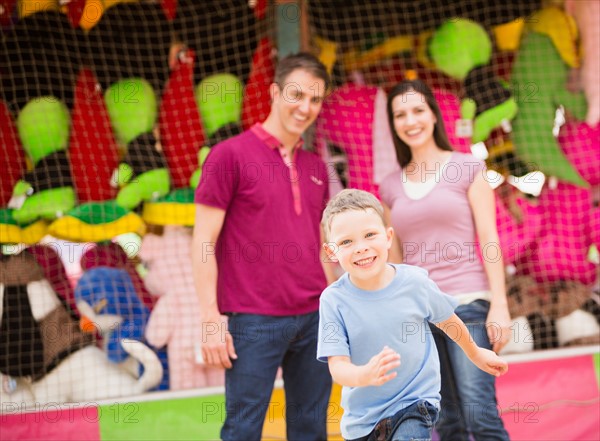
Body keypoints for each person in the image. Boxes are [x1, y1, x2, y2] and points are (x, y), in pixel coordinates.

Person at [191, 52, 336, 441]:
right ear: (274, 91)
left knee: (311, 430)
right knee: (242, 431)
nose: (305, 107)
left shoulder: (316, 166)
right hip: (252, 321)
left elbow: (322, 247)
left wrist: (337, 309)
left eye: (315, 99)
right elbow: (202, 241)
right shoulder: (228, 156)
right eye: (296, 94)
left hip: (315, 320)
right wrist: (210, 319)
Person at [317, 189, 508, 441]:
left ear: (388, 237)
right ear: (332, 253)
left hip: (414, 402)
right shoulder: (333, 300)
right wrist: (364, 375)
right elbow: (338, 367)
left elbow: (448, 320)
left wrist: (475, 352)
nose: (361, 248)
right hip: (363, 420)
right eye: (346, 242)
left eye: (369, 235)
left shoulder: (414, 282)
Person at [380, 79, 512, 441]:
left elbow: (489, 239)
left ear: (434, 115)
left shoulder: (467, 167)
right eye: (400, 114)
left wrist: (499, 305)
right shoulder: (389, 186)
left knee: (480, 417)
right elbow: (395, 261)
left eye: (418, 110)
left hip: (468, 306)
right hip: (419, 316)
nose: (411, 121)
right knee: (447, 424)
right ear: (392, 124)